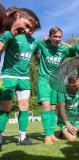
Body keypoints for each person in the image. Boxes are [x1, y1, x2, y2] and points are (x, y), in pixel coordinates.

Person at [0, 8, 40, 146]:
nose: (30, 31)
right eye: (28, 26)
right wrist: (9, 34)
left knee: (24, 108)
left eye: (33, 29)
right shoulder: (9, 35)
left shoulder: (35, 42)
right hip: (8, 76)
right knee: (5, 108)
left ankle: (22, 138)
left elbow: (41, 55)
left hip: (24, 79)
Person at [36, 26, 75, 144]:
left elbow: (75, 50)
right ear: (50, 36)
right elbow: (32, 45)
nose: (57, 39)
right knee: (46, 106)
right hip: (44, 80)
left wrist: (63, 42)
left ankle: (52, 134)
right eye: (55, 36)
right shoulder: (42, 45)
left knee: (53, 108)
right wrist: (45, 40)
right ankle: (47, 136)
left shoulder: (63, 49)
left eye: (59, 37)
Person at [57, 74, 79, 141]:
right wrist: (68, 124)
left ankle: (76, 130)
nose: (77, 87)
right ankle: (63, 132)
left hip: (76, 118)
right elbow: (61, 108)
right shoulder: (62, 90)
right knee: (72, 138)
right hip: (65, 119)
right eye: (75, 86)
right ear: (70, 84)